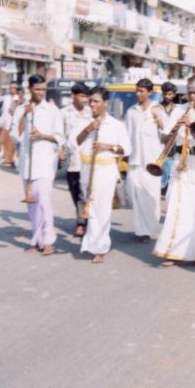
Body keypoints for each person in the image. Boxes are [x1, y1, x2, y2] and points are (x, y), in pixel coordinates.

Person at [153, 76, 195, 266]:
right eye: (189, 93)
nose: (192, 96)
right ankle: (172, 251)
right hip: (181, 161)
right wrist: (176, 127)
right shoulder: (179, 110)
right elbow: (164, 139)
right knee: (175, 204)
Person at [75, 87, 131, 263]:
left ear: (105, 103)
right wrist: (88, 129)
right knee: (90, 207)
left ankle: (100, 247)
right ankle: (91, 243)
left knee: (102, 209)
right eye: (90, 101)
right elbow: (75, 141)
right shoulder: (84, 121)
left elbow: (126, 149)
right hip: (87, 169)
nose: (92, 104)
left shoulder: (116, 125)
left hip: (106, 171)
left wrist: (108, 147)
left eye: (96, 101)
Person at [13, 74, 64, 256]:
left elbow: (59, 137)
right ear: (30, 89)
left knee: (44, 202)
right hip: (27, 164)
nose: (41, 92)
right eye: (37, 89)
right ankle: (37, 239)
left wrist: (42, 136)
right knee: (32, 205)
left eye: (43, 89)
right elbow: (15, 136)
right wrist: (25, 115)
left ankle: (48, 240)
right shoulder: (21, 109)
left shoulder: (52, 110)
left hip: (45, 163)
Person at [125, 78, 166, 243]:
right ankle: (141, 230)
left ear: (149, 92)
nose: (138, 94)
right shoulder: (131, 111)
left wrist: (158, 117)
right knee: (136, 195)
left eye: (141, 91)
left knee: (151, 196)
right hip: (135, 160)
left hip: (152, 162)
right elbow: (127, 135)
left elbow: (166, 131)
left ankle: (150, 227)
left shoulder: (157, 109)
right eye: (137, 90)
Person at [61, 81, 92, 237]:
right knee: (75, 191)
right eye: (81, 96)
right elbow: (59, 135)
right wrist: (60, 151)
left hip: (88, 159)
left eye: (86, 96)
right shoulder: (64, 113)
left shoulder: (91, 112)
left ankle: (82, 223)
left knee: (84, 192)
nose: (84, 100)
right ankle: (82, 217)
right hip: (72, 160)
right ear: (73, 96)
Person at [0, 83, 20, 167]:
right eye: (10, 88)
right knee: (6, 141)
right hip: (6, 123)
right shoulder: (6, 98)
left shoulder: (18, 98)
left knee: (13, 142)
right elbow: (4, 111)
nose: (12, 89)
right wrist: (1, 123)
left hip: (15, 123)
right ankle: (8, 159)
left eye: (14, 88)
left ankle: (14, 159)